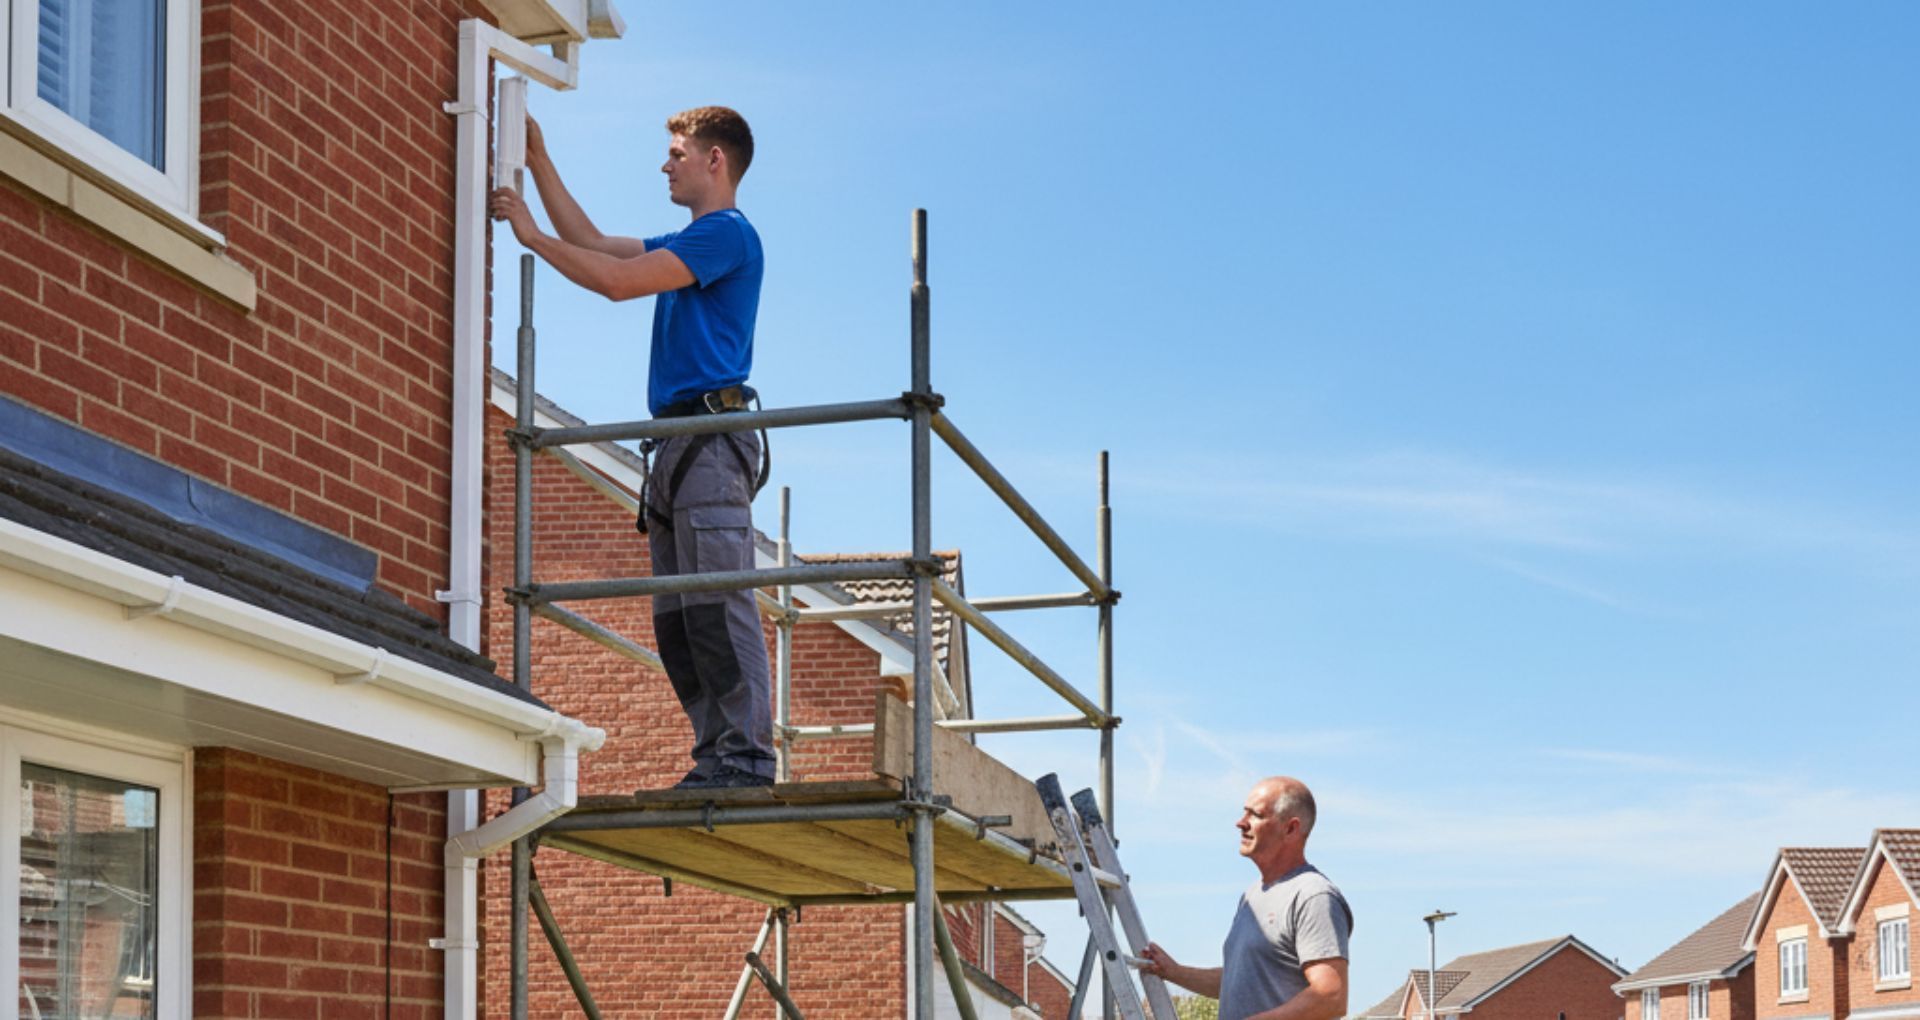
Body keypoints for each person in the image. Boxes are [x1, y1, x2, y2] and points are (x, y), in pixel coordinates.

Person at [489, 106, 776, 789]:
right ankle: (717, 756)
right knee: (679, 617)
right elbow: (589, 239)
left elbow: (617, 284)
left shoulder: (725, 236)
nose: (665, 164)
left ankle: (746, 760)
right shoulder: (686, 241)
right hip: (676, 442)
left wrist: (528, 234)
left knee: (715, 601)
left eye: (678, 152)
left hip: (708, 439)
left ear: (716, 161)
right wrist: (537, 158)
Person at [1141, 777, 1352, 1020]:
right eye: (1245, 813)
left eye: (1256, 815)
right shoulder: (1251, 897)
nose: (1241, 823)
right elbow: (1239, 981)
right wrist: (1175, 972)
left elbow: (1331, 996)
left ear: (1291, 829)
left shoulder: (1313, 896)